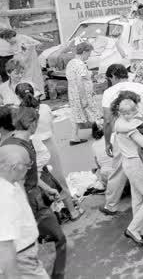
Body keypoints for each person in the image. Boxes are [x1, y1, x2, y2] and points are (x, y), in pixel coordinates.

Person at [2, 107, 67, 279]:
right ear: (32, 124)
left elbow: (29, 176)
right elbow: (20, 184)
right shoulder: (20, 149)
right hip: (31, 202)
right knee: (58, 239)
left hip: (32, 199)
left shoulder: (12, 142)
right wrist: (27, 213)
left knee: (47, 241)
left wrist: (47, 188)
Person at [100, 64, 143, 217]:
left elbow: (108, 121)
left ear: (112, 77)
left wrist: (107, 142)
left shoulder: (109, 92)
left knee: (119, 170)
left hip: (123, 137)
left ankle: (111, 205)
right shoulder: (142, 88)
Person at [15, 83, 83, 220]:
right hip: (49, 145)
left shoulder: (18, 114)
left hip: (30, 149)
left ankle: (50, 217)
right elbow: (51, 127)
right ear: (34, 93)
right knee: (58, 179)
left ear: (17, 97)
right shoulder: (45, 108)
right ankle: (72, 211)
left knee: (36, 183)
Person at [110, 92, 143, 246]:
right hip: (137, 164)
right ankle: (133, 229)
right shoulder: (131, 126)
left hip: (129, 164)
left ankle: (141, 229)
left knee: (138, 199)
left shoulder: (120, 121)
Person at [0, 144, 50, 278]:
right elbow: (5, 246)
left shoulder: (11, 182)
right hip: (21, 257)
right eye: (27, 165)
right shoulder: (4, 196)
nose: (29, 169)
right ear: (15, 167)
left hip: (26, 253)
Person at [113, 98, 143, 178]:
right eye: (123, 114)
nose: (126, 116)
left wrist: (118, 128)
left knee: (141, 150)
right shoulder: (135, 116)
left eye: (128, 114)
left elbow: (129, 128)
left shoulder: (136, 119)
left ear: (134, 111)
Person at [64, 42, 99, 146]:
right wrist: (84, 97)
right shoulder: (80, 64)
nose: (89, 56)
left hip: (73, 93)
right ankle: (98, 131)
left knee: (77, 114)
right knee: (93, 112)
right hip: (82, 94)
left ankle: (74, 137)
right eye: (89, 53)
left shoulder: (71, 62)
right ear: (84, 52)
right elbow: (80, 82)